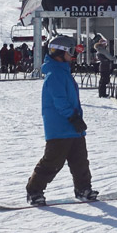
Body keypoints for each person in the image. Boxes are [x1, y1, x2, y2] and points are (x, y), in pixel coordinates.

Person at [26, 35, 98, 206]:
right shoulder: (55, 74)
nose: (73, 56)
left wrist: (76, 120)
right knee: (53, 161)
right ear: (60, 52)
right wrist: (73, 117)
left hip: (73, 127)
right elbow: (60, 100)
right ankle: (34, 191)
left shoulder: (63, 72)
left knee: (80, 161)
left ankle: (83, 189)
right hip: (59, 127)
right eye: (71, 52)